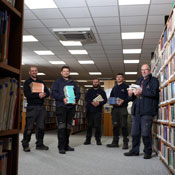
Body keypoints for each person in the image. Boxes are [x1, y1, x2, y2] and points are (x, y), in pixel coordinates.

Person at [124, 64, 159, 159]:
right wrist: (131, 94)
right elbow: (135, 97)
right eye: (142, 70)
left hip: (147, 111)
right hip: (137, 110)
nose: (143, 71)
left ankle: (148, 151)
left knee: (145, 133)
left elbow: (154, 93)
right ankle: (135, 150)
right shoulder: (139, 80)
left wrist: (142, 92)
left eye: (146, 70)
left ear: (150, 71)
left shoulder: (154, 81)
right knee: (134, 133)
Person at [52, 66, 80, 154]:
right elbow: (54, 93)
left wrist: (76, 99)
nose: (66, 73)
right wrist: (62, 98)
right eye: (64, 71)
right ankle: (61, 146)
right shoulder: (57, 82)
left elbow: (78, 93)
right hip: (61, 107)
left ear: (69, 72)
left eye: (67, 71)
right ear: (61, 73)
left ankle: (66, 145)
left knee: (68, 127)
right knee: (61, 127)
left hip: (71, 108)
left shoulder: (73, 83)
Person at [22, 66, 50, 152]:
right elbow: (27, 94)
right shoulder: (27, 82)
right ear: (29, 72)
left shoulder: (41, 82)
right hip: (32, 107)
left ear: (37, 71)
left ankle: (39, 144)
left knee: (41, 127)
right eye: (32, 71)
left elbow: (48, 92)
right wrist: (38, 95)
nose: (34, 72)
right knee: (29, 127)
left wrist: (44, 94)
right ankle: (25, 144)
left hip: (41, 107)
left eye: (35, 71)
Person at [106, 73, 130, 149]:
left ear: (123, 78)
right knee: (115, 126)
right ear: (116, 79)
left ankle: (125, 143)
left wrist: (123, 101)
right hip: (115, 109)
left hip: (123, 109)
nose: (119, 78)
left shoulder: (127, 87)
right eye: (117, 77)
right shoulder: (114, 87)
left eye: (120, 77)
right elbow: (111, 98)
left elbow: (131, 97)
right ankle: (115, 142)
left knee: (123, 126)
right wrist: (113, 102)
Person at [84, 79, 107, 145]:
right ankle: (88, 140)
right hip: (89, 111)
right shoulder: (89, 91)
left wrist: (99, 103)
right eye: (94, 82)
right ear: (93, 83)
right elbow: (86, 98)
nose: (95, 83)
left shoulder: (102, 91)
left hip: (98, 111)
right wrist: (92, 102)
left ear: (99, 83)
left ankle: (98, 140)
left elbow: (105, 100)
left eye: (97, 82)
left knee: (97, 126)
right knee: (89, 125)